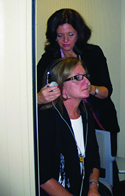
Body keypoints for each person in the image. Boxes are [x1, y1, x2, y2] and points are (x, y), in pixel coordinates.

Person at [37, 8, 120, 156]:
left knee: (101, 166)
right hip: (66, 123)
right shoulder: (49, 58)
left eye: (70, 34)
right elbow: (34, 93)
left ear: (79, 33)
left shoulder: (93, 53)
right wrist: (39, 98)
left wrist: (91, 89)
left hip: (99, 120)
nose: (66, 41)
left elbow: (106, 91)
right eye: (60, 36)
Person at [38, 57, 111, 196]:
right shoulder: (47, 119)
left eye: (85, 76)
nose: (87, 82)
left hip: (85, 188)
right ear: (60, 87)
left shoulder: (86, 112)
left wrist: (93, 188)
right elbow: (44, 177)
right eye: (77, 78)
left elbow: (94, 157)